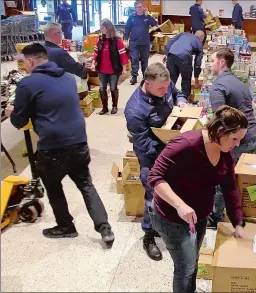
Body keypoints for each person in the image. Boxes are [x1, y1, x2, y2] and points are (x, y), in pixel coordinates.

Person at [6, 43, 114, 243]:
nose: (24, 67)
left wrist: (11, 113)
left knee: (53, 184)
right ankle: (105, 229)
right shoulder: (67, 78)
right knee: (86, 184)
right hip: (79, 142)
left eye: (24, 62)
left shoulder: (28, 84)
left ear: (31, 61)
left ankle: (66, 226)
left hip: (53, 148)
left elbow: (20, 121)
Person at [148, 105, 247, 293]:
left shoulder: (226, 152)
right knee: (185, 268)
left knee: (193, 261)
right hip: (172, 218)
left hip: (200, 215)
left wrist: (238, 222)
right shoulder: (185, 144)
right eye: (235, 139)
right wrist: (180, 205)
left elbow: (230, 188)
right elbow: (154, 177)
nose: (237, 144)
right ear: (220, 131)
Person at [124, 62, 187, 261]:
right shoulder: (135, 109)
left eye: (166, 86)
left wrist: (182, 101)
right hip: (152, 155)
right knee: (154, 195)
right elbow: (143, 144)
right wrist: (168, 152)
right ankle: (149, 235)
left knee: (174, 190)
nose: (165, 90)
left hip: (170, 147)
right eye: (161, 88)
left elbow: (177, 92)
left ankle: (166, 225)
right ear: (147, 83)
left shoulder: (165, 85)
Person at [206, 48, 256, 228]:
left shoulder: (218, 87)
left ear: (222, 62)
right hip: (252, 136)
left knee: (224, 178)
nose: (210, 64)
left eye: (212, 60)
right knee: (241, 177)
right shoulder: (240, 82)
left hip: (238, 141)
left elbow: (221, 121)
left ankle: (215, 217)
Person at [92, 18, 129, 115]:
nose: (101, 29)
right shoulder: (100, 40)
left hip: (114, 69)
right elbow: (95, 53)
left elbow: (123, 55)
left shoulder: (117, 41)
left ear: (108, 28)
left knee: (113, 87)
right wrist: (93, 63)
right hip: (101, 69)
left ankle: (114, 106)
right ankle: (104, 108)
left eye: (102, 27)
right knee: (102, 88)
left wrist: (124, 68)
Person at [124, 0, 158, 85]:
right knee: (134, 59)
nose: (139, 9)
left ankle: (145, 76)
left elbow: (155, 24)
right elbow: (127, 28)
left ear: (143, 7)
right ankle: (134, 76)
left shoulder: (147, 17)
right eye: (137, 7)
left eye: (140, 7)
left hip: (145, 43)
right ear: (135, 8)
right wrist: (125, 39)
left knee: (144, 61)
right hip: (134, 42)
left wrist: (148, 16)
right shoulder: (132, 17)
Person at [163, 31, 205, 97]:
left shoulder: (183, 34)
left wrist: (166, 53)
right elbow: (197, 63)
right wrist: (196, 79)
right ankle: (183, 97)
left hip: (171, 54)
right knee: (186, 78)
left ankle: (167, 96)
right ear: (201, 38)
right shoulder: (199, 43)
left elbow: (170, 41)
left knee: (170, 77)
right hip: (184, 56)